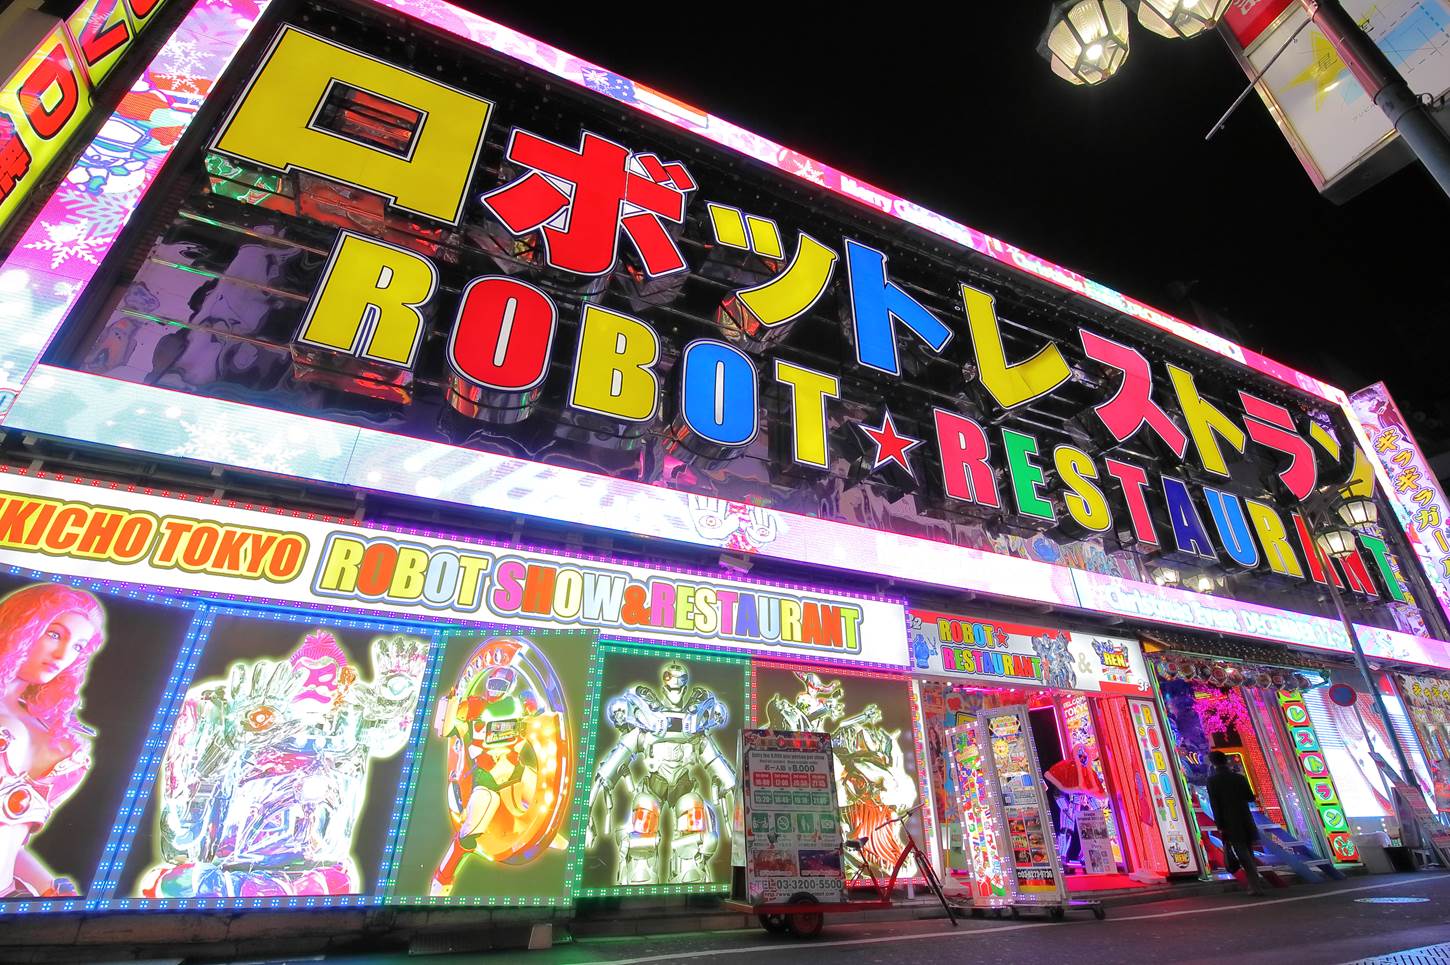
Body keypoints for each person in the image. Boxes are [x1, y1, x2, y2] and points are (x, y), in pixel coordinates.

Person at [0, 583, 108, 898]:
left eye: (78, 646)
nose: (63, 655)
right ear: (21, 626)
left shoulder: (54, 730)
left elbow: (11, 837)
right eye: (55, 634)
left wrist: (52, 890)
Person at [1207, 750, 1265, 896]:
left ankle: (1255, 884)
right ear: (1226, 761)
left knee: (1242, 853)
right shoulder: (1239, 778)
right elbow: (1250, 797)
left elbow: (1215, 805)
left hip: (1229, 821)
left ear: (1213, 763)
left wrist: (1220, 826)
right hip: (1245, 817)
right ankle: (1255, 883)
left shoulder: (1213, 781)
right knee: (1248, 851)